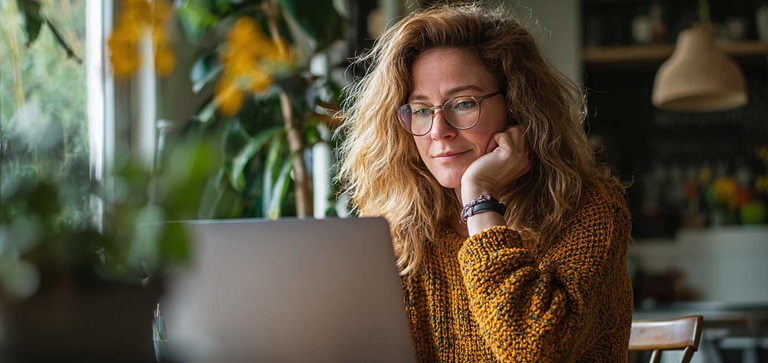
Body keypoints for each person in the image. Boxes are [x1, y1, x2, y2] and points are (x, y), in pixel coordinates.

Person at [336, 4, 633, 362]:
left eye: (462, 103)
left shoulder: (590, 211)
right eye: (421, 109)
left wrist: (479, 198)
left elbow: (531, 349)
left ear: (517, 106)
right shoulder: (409, 228)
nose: (438, 131)